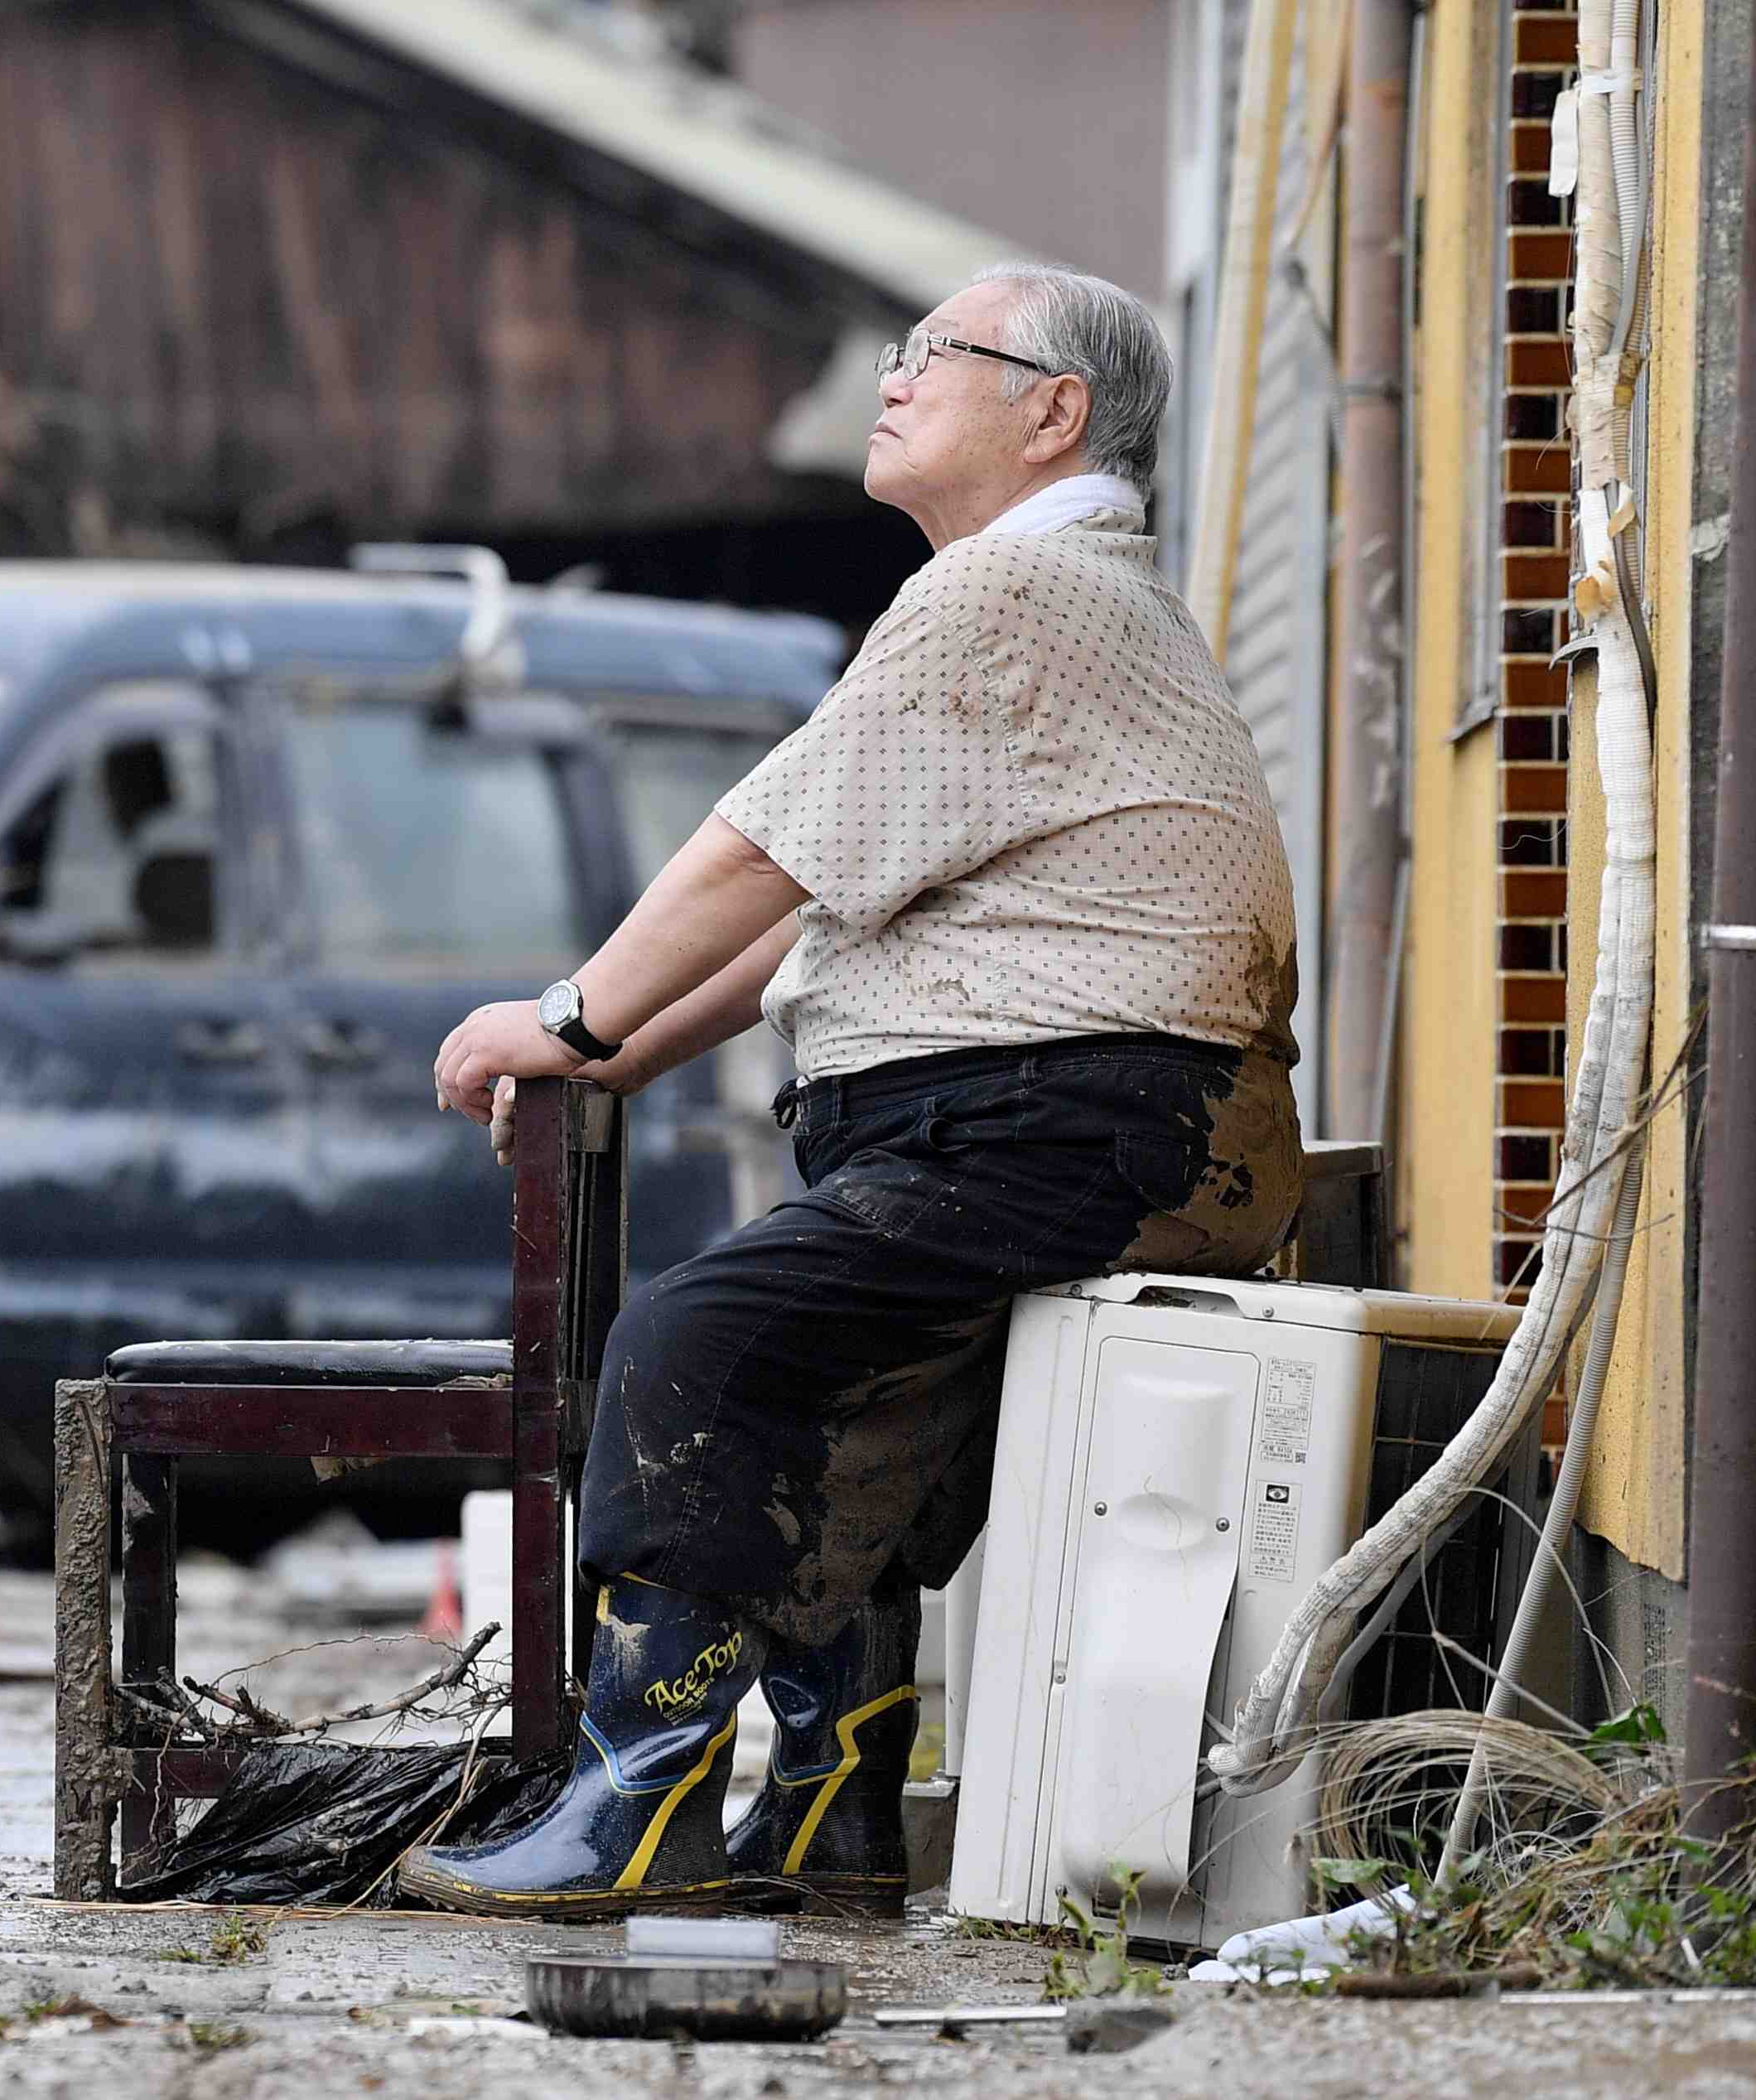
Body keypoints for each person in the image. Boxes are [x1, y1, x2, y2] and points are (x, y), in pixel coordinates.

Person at [399, 261, 1302, 1922]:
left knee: (699, 1341)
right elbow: (822, 902)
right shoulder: (1055, 598)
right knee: (838, 1415)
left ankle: (634, 1808)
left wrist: (569, 1016)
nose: (889, 379)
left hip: (1062, 1114)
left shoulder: (1002, 596)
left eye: (934, 353)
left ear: (1054, 414)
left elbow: (759, 846)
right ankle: (827, 1814)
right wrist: (615, 1048)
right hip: (1082, 1118)